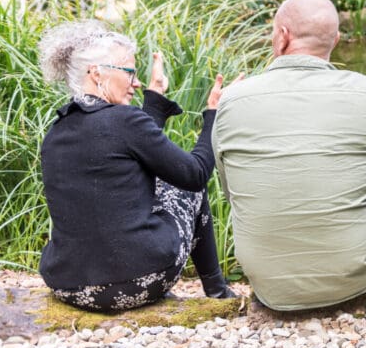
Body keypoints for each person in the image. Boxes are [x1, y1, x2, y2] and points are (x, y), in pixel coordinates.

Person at [211, 0, 366, 311]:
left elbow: (233, 193)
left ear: (282, 36)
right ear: (336, 40)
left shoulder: (230, 101)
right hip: (355, 275)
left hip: (269, 281)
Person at [38, 21, 235, 311]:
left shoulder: (56, 131)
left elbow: (129, 153)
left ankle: (217, 290)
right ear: (96, 73)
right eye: (130, 72)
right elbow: (194, 174)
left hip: (69, 287)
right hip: (138, 281)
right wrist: (212, 117)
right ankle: (217, 291)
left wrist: (153, 100)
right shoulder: (125, 121)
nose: (137, 82)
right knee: (188, 189)